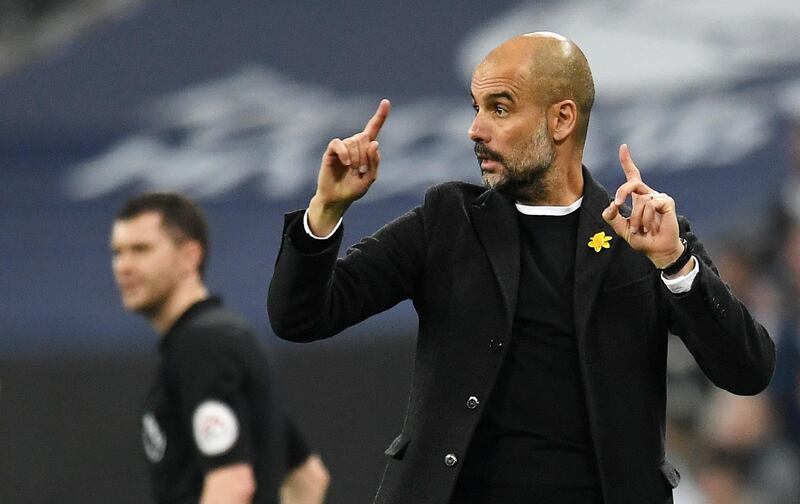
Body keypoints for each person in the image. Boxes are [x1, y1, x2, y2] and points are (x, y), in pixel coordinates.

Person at [267, 33, 775, 504]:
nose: (475, 129)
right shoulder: (447, 220)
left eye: (500, 108)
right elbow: (302, 317)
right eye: (476, 108)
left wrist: (675, 264)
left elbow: (748, 370)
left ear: (561, 120)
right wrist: (325, 212)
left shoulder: (646, 234)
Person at [111, 193, 330, 504]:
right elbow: (307, 477)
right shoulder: (228, 338)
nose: (123, 266)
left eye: (140, 250)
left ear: (190, 256)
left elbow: (231, 483)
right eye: (117, 252)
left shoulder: (200, 346)